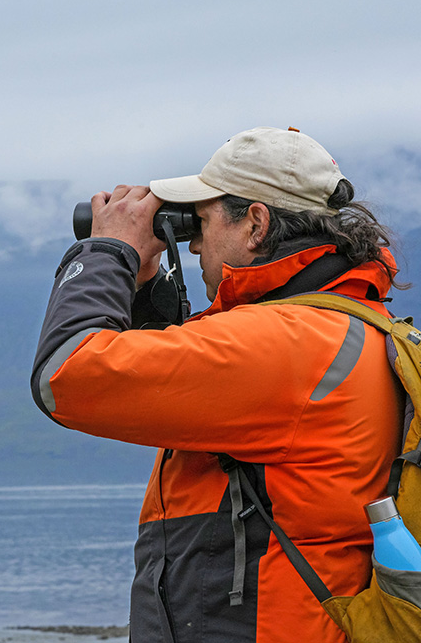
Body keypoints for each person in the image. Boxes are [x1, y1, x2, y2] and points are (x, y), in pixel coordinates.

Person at [31, 126, 404, 643]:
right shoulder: (346, 327)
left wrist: (106, 252)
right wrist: (143, 291)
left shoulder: (284, 343)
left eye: (200, 222)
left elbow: (67, 375)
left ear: (255, 223)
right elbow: (185, 376)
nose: (195, 243)